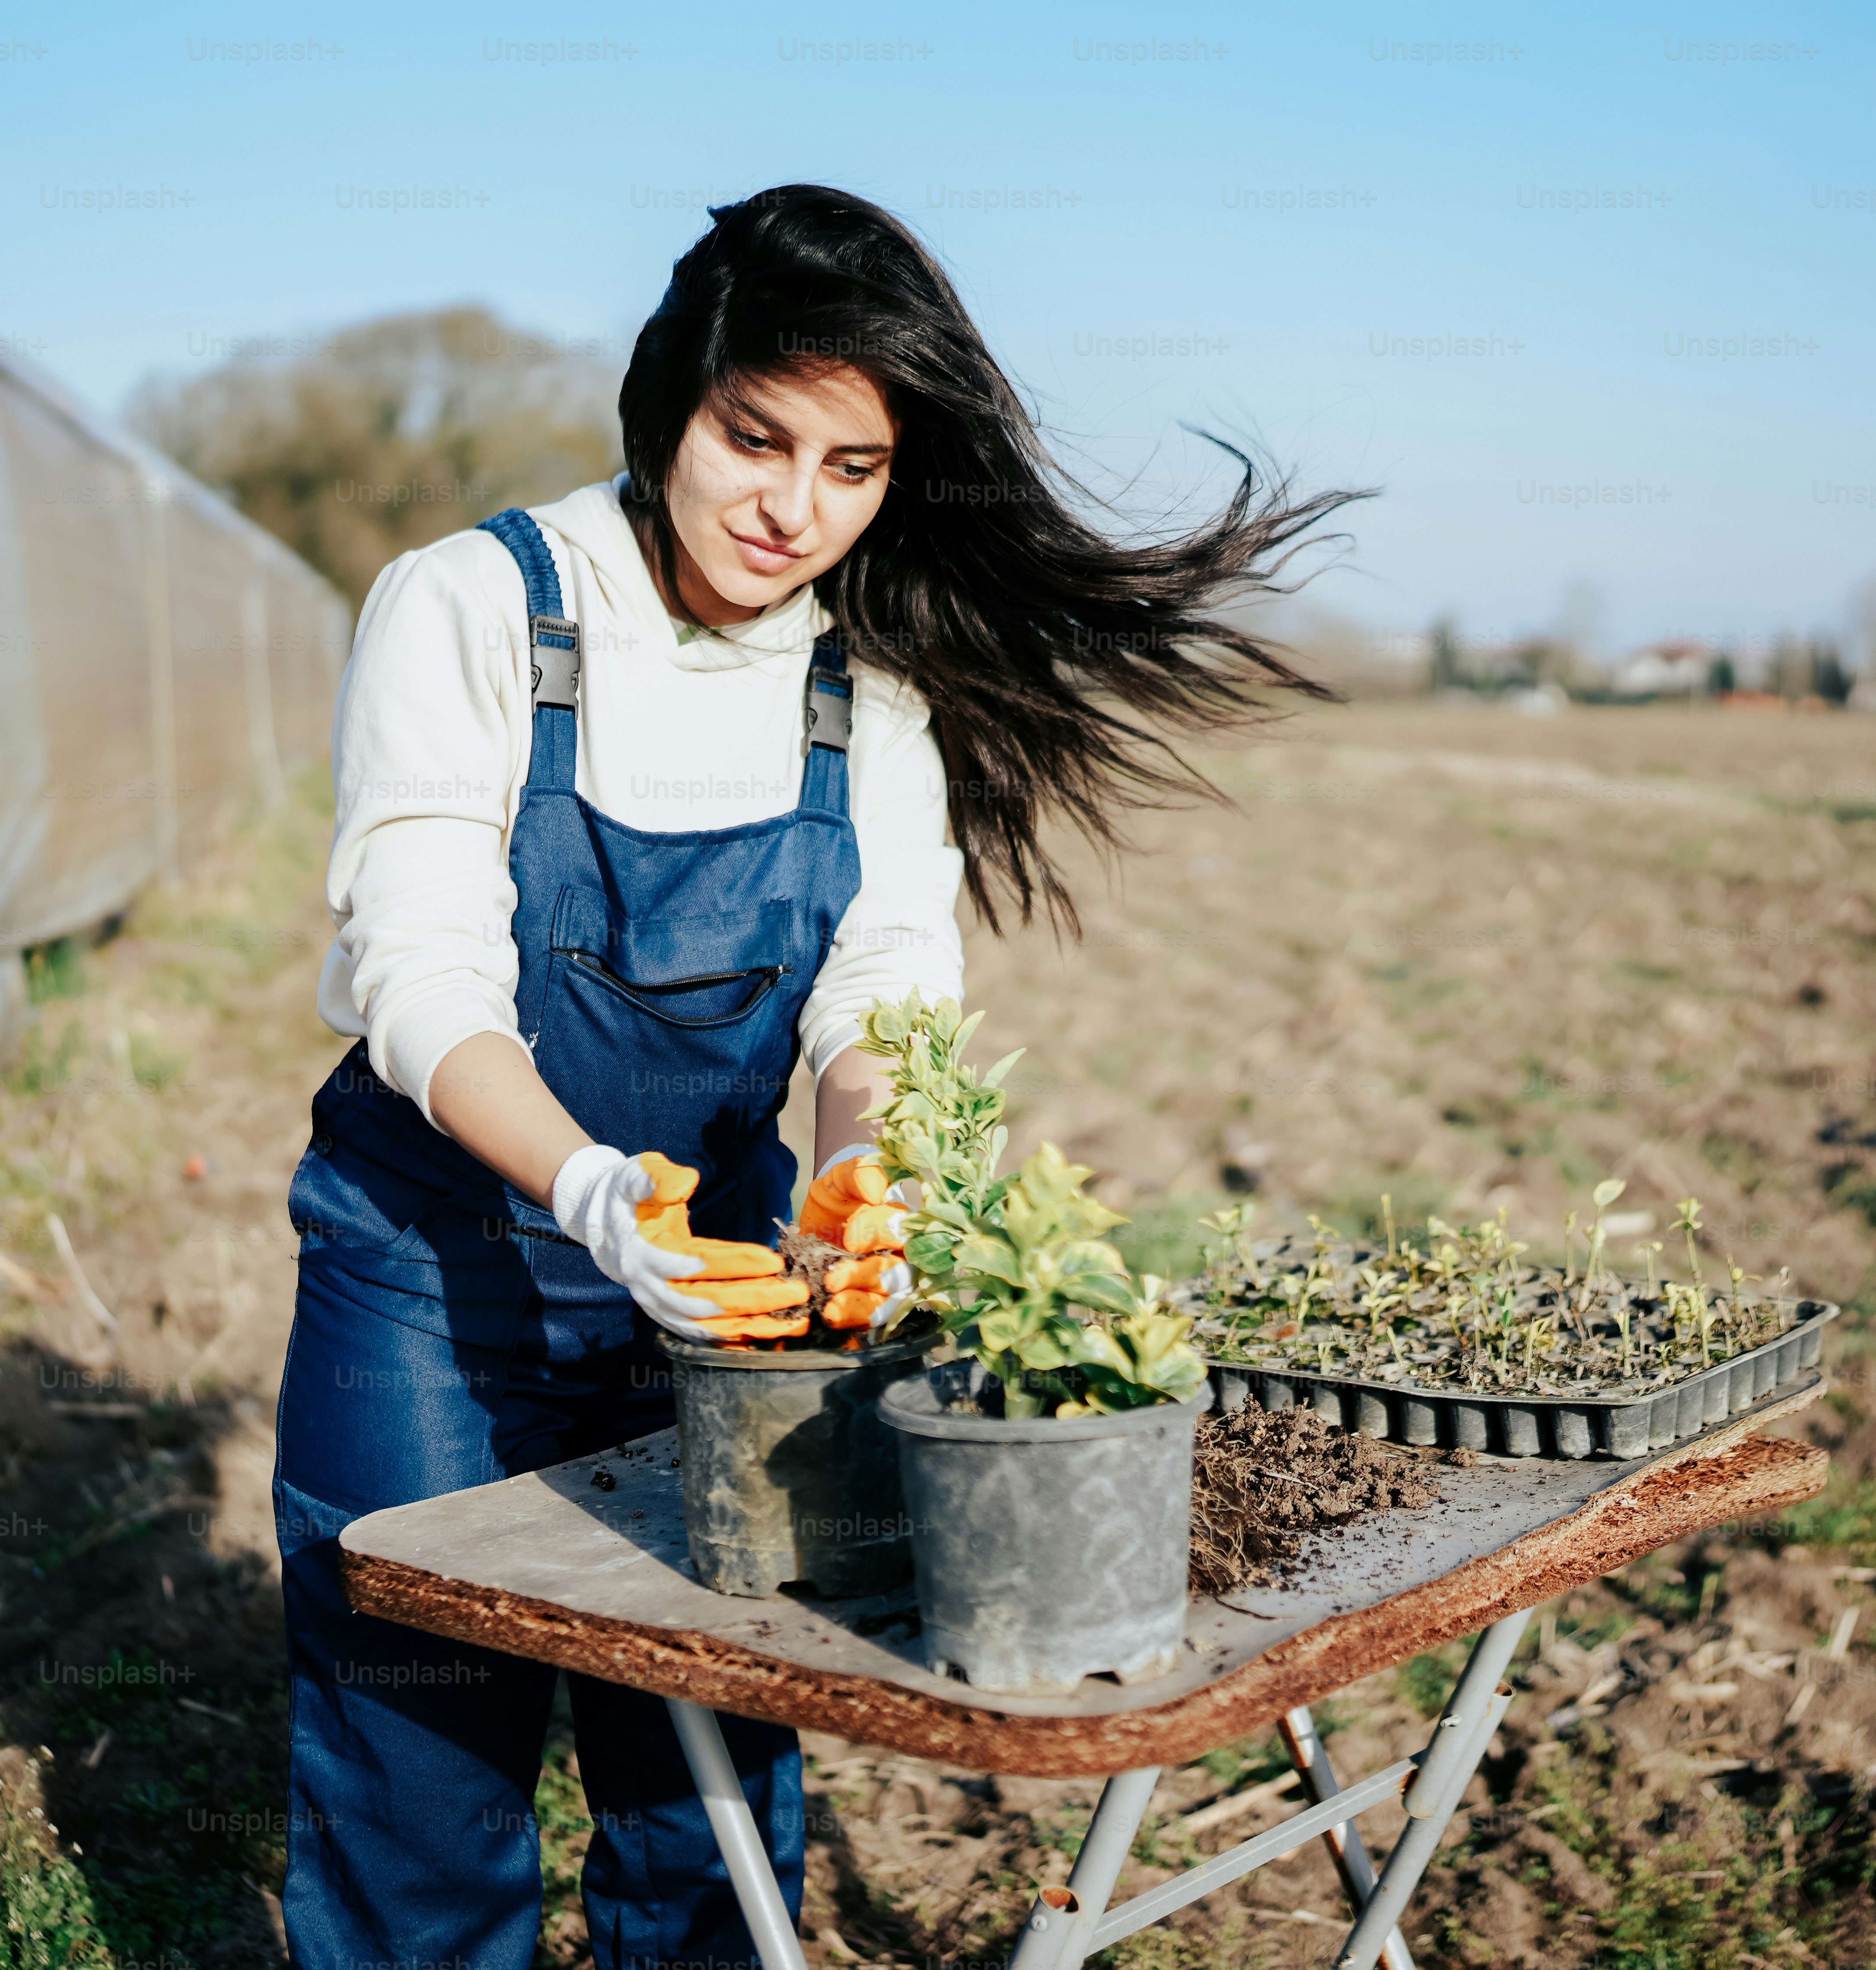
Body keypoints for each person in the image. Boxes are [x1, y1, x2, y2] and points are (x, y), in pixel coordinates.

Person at [275, 183, 1361, 1970]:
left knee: (702, 1785)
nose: (791, 509)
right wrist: (590, 1191)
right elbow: (417, 971)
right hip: (437, 1275)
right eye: (753, 439)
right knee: (419, 1767)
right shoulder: (473, 604)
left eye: (851, 468)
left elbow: (881, 997)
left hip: (727, 1306)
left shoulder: (870, 688)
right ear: (668, 407)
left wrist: (865, 1171)